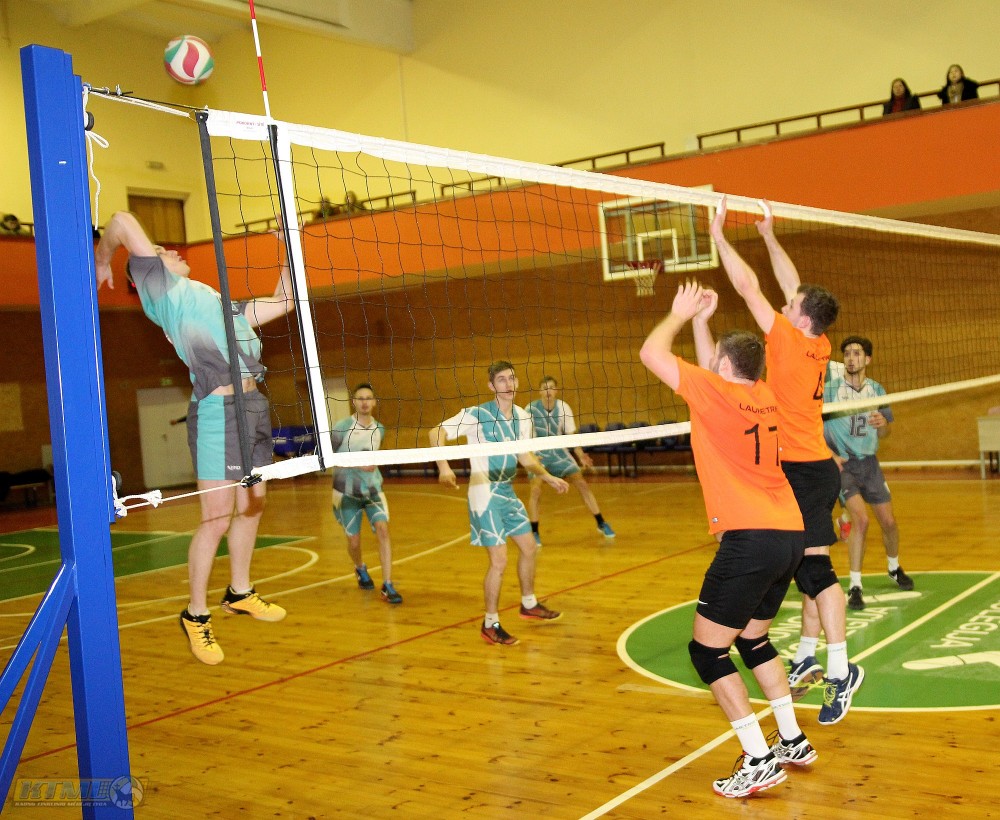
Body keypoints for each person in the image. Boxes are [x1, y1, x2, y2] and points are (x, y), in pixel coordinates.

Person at [640, 280, 816, 799]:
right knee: (753, 639)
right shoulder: (762, 394)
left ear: (721, 366)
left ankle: (758, 758)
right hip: (789, 534)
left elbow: (651, 353)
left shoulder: (715, 393)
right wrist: (704, 323)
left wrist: (679, 314)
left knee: (707, 653)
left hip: (749, 539)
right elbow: (712, 371)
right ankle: (791, 739)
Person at [95, 210, 293, 665]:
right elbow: (122, 220)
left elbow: (286, 299)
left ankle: (239, 591)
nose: (169, 251)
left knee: (253, 504)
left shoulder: (222, 305)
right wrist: (104, 258)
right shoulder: (163, 292)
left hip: (252, 407)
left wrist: (287, 242)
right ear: (146, 274)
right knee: (216, 517)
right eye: (160, 252)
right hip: (217, 413)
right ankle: (196, 614)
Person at [709, 197, 863, 726]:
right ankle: (808, 656)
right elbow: (790, 284)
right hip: (809, 468)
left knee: (814, 570)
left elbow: (748, 286)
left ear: (800, 317)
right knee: (803, 566)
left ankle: (841, 670)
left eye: (791, 303)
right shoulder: (817, 341)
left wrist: (720, 236)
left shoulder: (788, 342)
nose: (785, 301)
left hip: (802, 471)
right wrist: (769, 234)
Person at [430, 360, 569, 646]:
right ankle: (490, 623)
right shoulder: (477, 415)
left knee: (529, 547)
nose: (509, 384)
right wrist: (443, 467)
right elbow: (435, 432)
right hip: (484, 492)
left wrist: (548, 476)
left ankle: (528, 604)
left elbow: (524, 456)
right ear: (492, 386)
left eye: (512, 378)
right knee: (499, 560)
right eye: (502, 380)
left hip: (506, 491)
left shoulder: (523, 417)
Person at [823, 337, 912, 611]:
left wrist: (882, 423)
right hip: (843, 465)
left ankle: (894, 567)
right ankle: (855, 586)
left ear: (868, 359)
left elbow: (885, 432)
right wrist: (830, 455)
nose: (851, 358)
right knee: (861, 520)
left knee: (889, 522)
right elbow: (811, 424)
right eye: (847, 354)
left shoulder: (877, 390)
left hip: (870, 464)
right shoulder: (830, 390)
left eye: (857, 354)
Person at [331, 382, 402, 604]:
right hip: (346, 492)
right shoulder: (342, 427)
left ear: (374, 402)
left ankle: (388, 584)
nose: (364, 402)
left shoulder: (379, 429)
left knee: (383, 530)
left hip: (372, 490)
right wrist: (357, 464)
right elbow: (330, 458)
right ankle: (360, 567)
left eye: (368, 398)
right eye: (360, 398)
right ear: (354, 402)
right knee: (353, 542)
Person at [525, 376, 615, 545]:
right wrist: (530, 456)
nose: (548, 391)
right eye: (544, 388)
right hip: (538, 453)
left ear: (556, 390)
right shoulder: (530, 410)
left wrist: (580, 455)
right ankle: (534, 531)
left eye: (551, 387)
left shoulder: (563, 407)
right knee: (535, 489)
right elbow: (524, 438)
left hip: (559, 452)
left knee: (582, 483)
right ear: (539, 391)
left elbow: (571, 436)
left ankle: (601, 522)